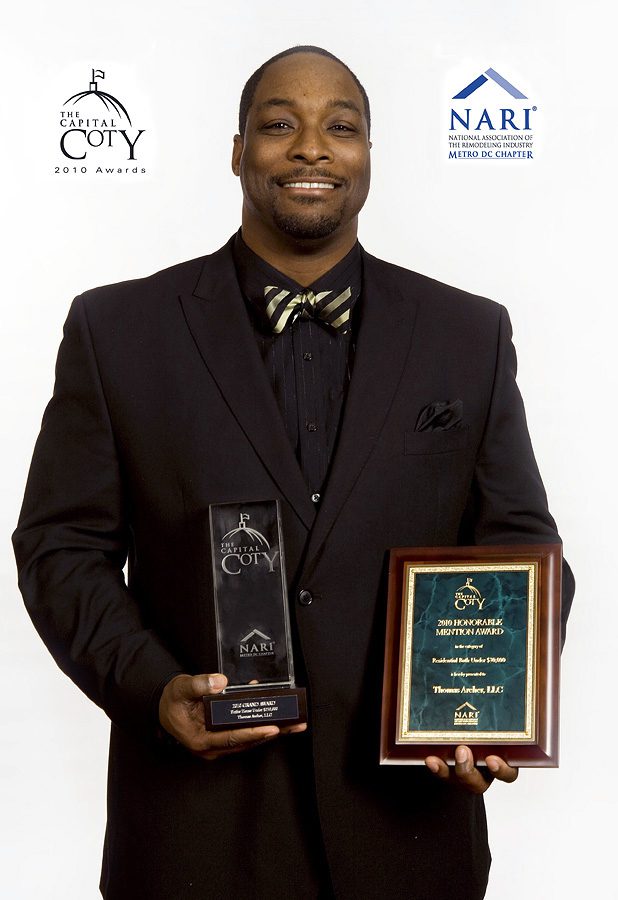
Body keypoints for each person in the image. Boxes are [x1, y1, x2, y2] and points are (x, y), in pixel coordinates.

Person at [13, 46, 574, 900]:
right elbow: (61, 547)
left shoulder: (468, 334)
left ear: (369, 155)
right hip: (195, 841)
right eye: (280, 124)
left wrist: (496, 706)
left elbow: (521, 545)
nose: (312, 146)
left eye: (340, 126)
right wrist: (152, 687)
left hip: (409, 840)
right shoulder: (117, 330)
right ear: (238, 151)